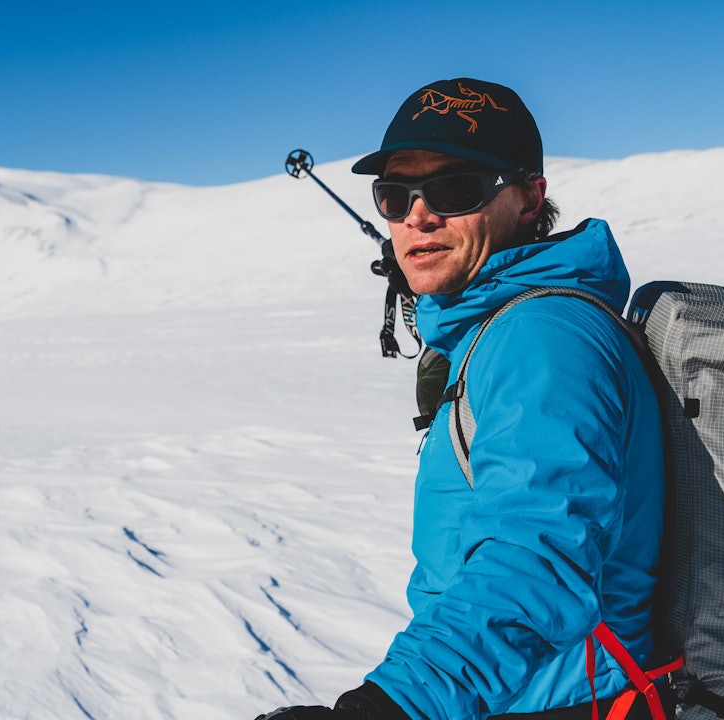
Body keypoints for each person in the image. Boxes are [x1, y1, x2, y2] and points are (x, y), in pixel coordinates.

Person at [254, 78, 666, 720]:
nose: (418, 216)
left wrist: (387, 708)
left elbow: (535, 560)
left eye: (453, 190)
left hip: (558, 701)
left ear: (530, 199)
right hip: (508, 691)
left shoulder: (541, 337)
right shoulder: (505, 328)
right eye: (395, 195)